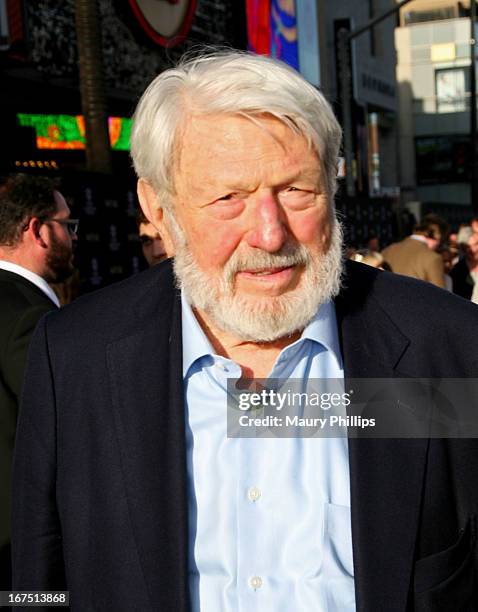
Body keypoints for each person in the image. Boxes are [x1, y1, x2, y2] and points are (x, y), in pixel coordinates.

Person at [12, 51, 478, 611]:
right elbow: (37, 580)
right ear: (157, 208)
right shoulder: (75, 356)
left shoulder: (448, 346)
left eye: (296, 190)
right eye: (228, 197)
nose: (269, 233)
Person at [0, 174, 77, 591]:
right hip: (20, 552)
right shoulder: (30, 317)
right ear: (37, 230)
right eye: (67, 224)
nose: (73, 237)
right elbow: (67, 423)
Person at [382, 219, 446, 288]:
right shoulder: (433, 258)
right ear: (437, 236)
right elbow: (439, 295)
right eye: (440, 241)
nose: (438, 245)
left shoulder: (387, 250)